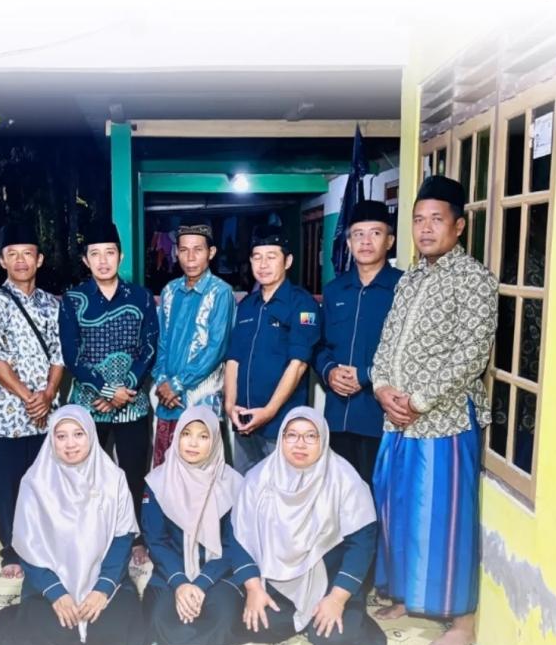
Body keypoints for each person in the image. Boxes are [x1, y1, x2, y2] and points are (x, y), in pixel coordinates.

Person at [369, 175, 499, 645]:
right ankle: (408, 596)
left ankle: (461, 620)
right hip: (396, 419)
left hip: (443, 421)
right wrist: (382, 387)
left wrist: (419, 400)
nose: (425, 229)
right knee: (397, 510)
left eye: (436, 220)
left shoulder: (474, 279)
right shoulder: (409, 279)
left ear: (458, 226)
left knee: (446, 517)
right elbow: (387, 343)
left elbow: (472, 353)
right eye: (418, 220)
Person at [0, 405, 144, 645]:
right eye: (61, 436)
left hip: (102, 577)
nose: (70, 444)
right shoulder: (35, 482)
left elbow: (121, 539)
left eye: (78, 434)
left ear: (91, 435)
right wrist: (57, 593)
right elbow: (28, 547)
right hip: (49, 582)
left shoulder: (113, 479)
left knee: (112, 631)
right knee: (51, 634)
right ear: (51, 439)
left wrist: (102, 589)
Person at [232, 408, 387, 645]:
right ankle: (299, 615)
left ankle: (337, 612)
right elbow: (238, 537)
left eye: (310, 436)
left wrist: (337, 599)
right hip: (277, 580)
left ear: (323, 439)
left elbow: (362, 544)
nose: (300, 444)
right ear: (281, 438)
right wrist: (253, 589)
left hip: (331, 580)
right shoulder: (258, 478)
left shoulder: (345, 479)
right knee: (259, 627)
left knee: (335, 640)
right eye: (292, 435)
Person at [60, 220, 158, 564]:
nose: (103, 261)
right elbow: (72, 356)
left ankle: (134, 536)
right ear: (85, 260)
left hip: (132, 403)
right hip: (89, 405)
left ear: (121, 256)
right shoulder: (73, 300)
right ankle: (91, 535)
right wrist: (103, 390)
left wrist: (124, 388)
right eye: (95, 254)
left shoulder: (141, 297)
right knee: (87, 474)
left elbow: (149, 348)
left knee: (133, 472)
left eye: (110, 253)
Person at [0, 220, 64, 578]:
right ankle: (12, 550)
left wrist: (48, 394)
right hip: (6, 415)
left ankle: (44, 546)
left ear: (39, 259)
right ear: (2, 261)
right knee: (7, 485)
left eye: (27, 254)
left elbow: (59, 354)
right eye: (12, 254)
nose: (21, 260)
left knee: (46, 483)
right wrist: (30, 397)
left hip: (46, 413)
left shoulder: (51, 304)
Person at [142, 407, 258, 645]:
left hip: (218, 573)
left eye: (203, 436)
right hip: (171, 573)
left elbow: (233, 544)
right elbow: (156, 541)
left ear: (215, 440)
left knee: (223, 621)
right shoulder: (157, 481)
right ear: (177, 437)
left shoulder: (234, 483)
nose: (193, 443)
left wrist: (201, 583)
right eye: (186, 434)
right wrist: (181, 583)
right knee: (161, 623)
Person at [313, 199, 402, 486]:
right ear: (349, 243)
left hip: (381, 416)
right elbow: (318, 345)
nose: (365, 241)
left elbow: (409, 353)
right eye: (358, 234)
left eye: (375, 233)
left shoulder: (404, 288)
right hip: (338, 415)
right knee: (340, 493)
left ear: (389, 241)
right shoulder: (335, 290)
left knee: (380, 494)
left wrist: (364, 374)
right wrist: (329, 371)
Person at [224, 227, 319, 472]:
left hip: (281, 424)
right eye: (257, 257)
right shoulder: (247, 305)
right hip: (244, 419)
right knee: (246, 486)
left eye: (271, 256)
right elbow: (233, 359)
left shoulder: (302, 304)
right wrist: (229, 405)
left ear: (288, 261)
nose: (263, 264)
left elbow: (298, 365)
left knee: (283, 488)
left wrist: (269, 411)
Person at [151, 222, 235, 467]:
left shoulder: (221, 292)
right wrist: (162, 382)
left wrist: (177, 385)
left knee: (200, 471)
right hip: (168, 398)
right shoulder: (169, 291)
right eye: (184, 250)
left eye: (198, 250)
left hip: (201, 396)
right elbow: (162, 341)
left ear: (211, 252)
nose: (190, 257)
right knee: (167, 471)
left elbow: (216, 349)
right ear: (176, 252)